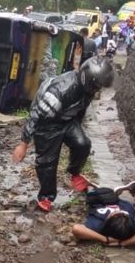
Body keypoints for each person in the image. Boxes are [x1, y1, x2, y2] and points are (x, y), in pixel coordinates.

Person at [11, 57, 114, 212]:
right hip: (47, 124)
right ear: (88, 79)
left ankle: (74, 173)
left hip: (67, 120)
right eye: (96, 86)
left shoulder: (88, 89)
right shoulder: (61, 90)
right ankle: (46, 196)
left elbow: (81, 109)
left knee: (83, 144)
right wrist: (23, 143)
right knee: (47, 162)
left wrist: (78, 127)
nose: (97, 90)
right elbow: (35, 115)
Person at [71, 180, 135, 246]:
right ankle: (126, 191)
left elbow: (77, 229)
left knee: (97, 193)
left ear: (107, 220)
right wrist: (123, 243)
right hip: (122, 203)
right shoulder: (132, 227)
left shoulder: (97, 224)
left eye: (116, 213)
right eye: (124, 214)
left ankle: (96, 187)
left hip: (99, 202)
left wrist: (105, 239)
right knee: (129, 203)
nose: (118, 211)